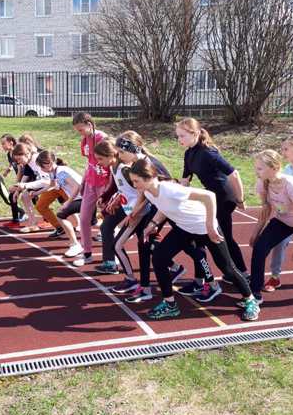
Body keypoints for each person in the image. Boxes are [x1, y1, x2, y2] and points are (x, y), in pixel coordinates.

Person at [129, 159, 259, 321]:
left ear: (148, 177)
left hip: (204, 227)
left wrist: (211, 225)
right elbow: (164, 207)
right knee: (159, 258)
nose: (135, 185)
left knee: (227, 268)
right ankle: (170, 304)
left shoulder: (170, 189)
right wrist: (153, 224)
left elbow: (209, 196)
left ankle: (250, 299)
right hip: (184, 228)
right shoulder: (149, 192)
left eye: (136, 181)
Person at [93, 134, 185, 303]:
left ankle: (204, 281)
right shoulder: (134, 164)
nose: (119, 155)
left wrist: (134, 213)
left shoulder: (143, 165)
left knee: (191, 246)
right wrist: (124, 206)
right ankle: (146, 286)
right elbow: (138, 191)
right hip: (154, 208)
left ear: (132, 149)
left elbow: (145, 192)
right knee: (145, 247)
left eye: (120, 152)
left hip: (163, 208)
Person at [176, 118, 248, 291]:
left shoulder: (208, 152)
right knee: (204, 238)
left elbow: (234, 174)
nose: (179, 139)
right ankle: (203, 280)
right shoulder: (189, 153)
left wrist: (240, 199)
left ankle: (243, 274)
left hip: (224, 198)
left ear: (194, 134)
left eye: (182, 136)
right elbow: (185, 181)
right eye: (177, 136)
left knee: (219, 237)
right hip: (211, 197)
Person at [248, 150, 293, 310]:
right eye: (256, 168)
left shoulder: (291, 184)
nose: (257, 172)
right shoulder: (262, 182)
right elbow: (266, 209)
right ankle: (255, 292)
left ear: (275, 167)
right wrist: (256, 232)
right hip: (282, 221)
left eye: (260, 168)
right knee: (259, 248)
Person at [72, 112, 110, 267]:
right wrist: (83, 181)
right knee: (84, 218)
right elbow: (89, 162)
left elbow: (110, 161)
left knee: (108, 221)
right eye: (78, 131)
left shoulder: (102, 138)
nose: (80, 133)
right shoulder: (84, 140)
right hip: (90, 183)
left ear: (89, 124)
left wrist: (108, 187)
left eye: (81, 129)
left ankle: (110, 257)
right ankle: (87, 253)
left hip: (104, 184)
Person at [266, 135, 293, 291]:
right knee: (279, 243)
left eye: (286, 149)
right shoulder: (286, 170)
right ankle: (275, 277)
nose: (283, 152)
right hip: (288, 216)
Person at [35, 150, 83, 242]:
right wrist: (37, 193)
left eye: (41, 167)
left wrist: (68, 202)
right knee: (91, 222)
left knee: (61, 215)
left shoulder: (61, 172)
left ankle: (74, 244)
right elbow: (51, 185)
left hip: (83, 198)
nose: (41, 169)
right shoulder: (53, 172)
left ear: (48, 164)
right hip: (81, 198)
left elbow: (77, 186)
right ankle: (108, 229)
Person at [9, 142, 50, 233]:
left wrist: (24, 186)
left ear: (27, 154)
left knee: (66, 204)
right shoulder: (29, 161)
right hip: (47, 182)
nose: (19, 162)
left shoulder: (37, 159)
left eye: (19, 159)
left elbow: (46, 181)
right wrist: (17, 191)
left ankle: (79, 222)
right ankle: (33, 223)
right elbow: (26, 176)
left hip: (55, 182)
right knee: (25, 196)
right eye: (17, 160)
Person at [0, 134, 26, 226]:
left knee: (13, 196)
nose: (2, 146)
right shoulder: (9, 154)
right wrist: (8, 170)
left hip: (27, 178)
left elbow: (20, 169)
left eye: (3, 143)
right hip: (22, 179)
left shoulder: (16, 152)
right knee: (13, 197)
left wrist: (17, 184)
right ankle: (16, 220)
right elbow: (12, 164)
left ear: (11, 142)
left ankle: (16, 220)